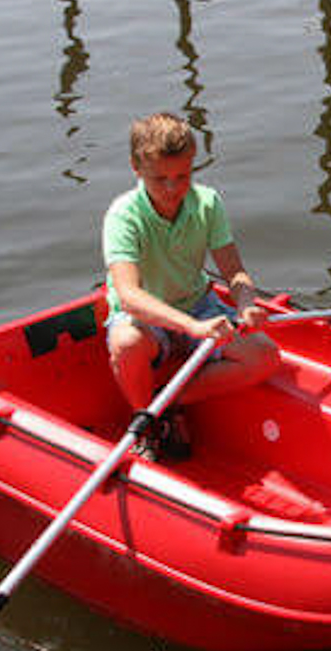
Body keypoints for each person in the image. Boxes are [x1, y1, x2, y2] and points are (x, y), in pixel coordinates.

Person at [102, 113, 280, 456]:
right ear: (136, 169)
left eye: (182, 177)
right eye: (160, 179)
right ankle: (145, 422)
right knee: (126, 343)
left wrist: (246, 303)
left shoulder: (207, 203)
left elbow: (235, 272)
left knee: (265, 357)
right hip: (147, 315)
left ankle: (166, 401)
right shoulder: (123, 215)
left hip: (197, 305)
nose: (172, 190)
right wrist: (191, 327)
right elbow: (129, 297)